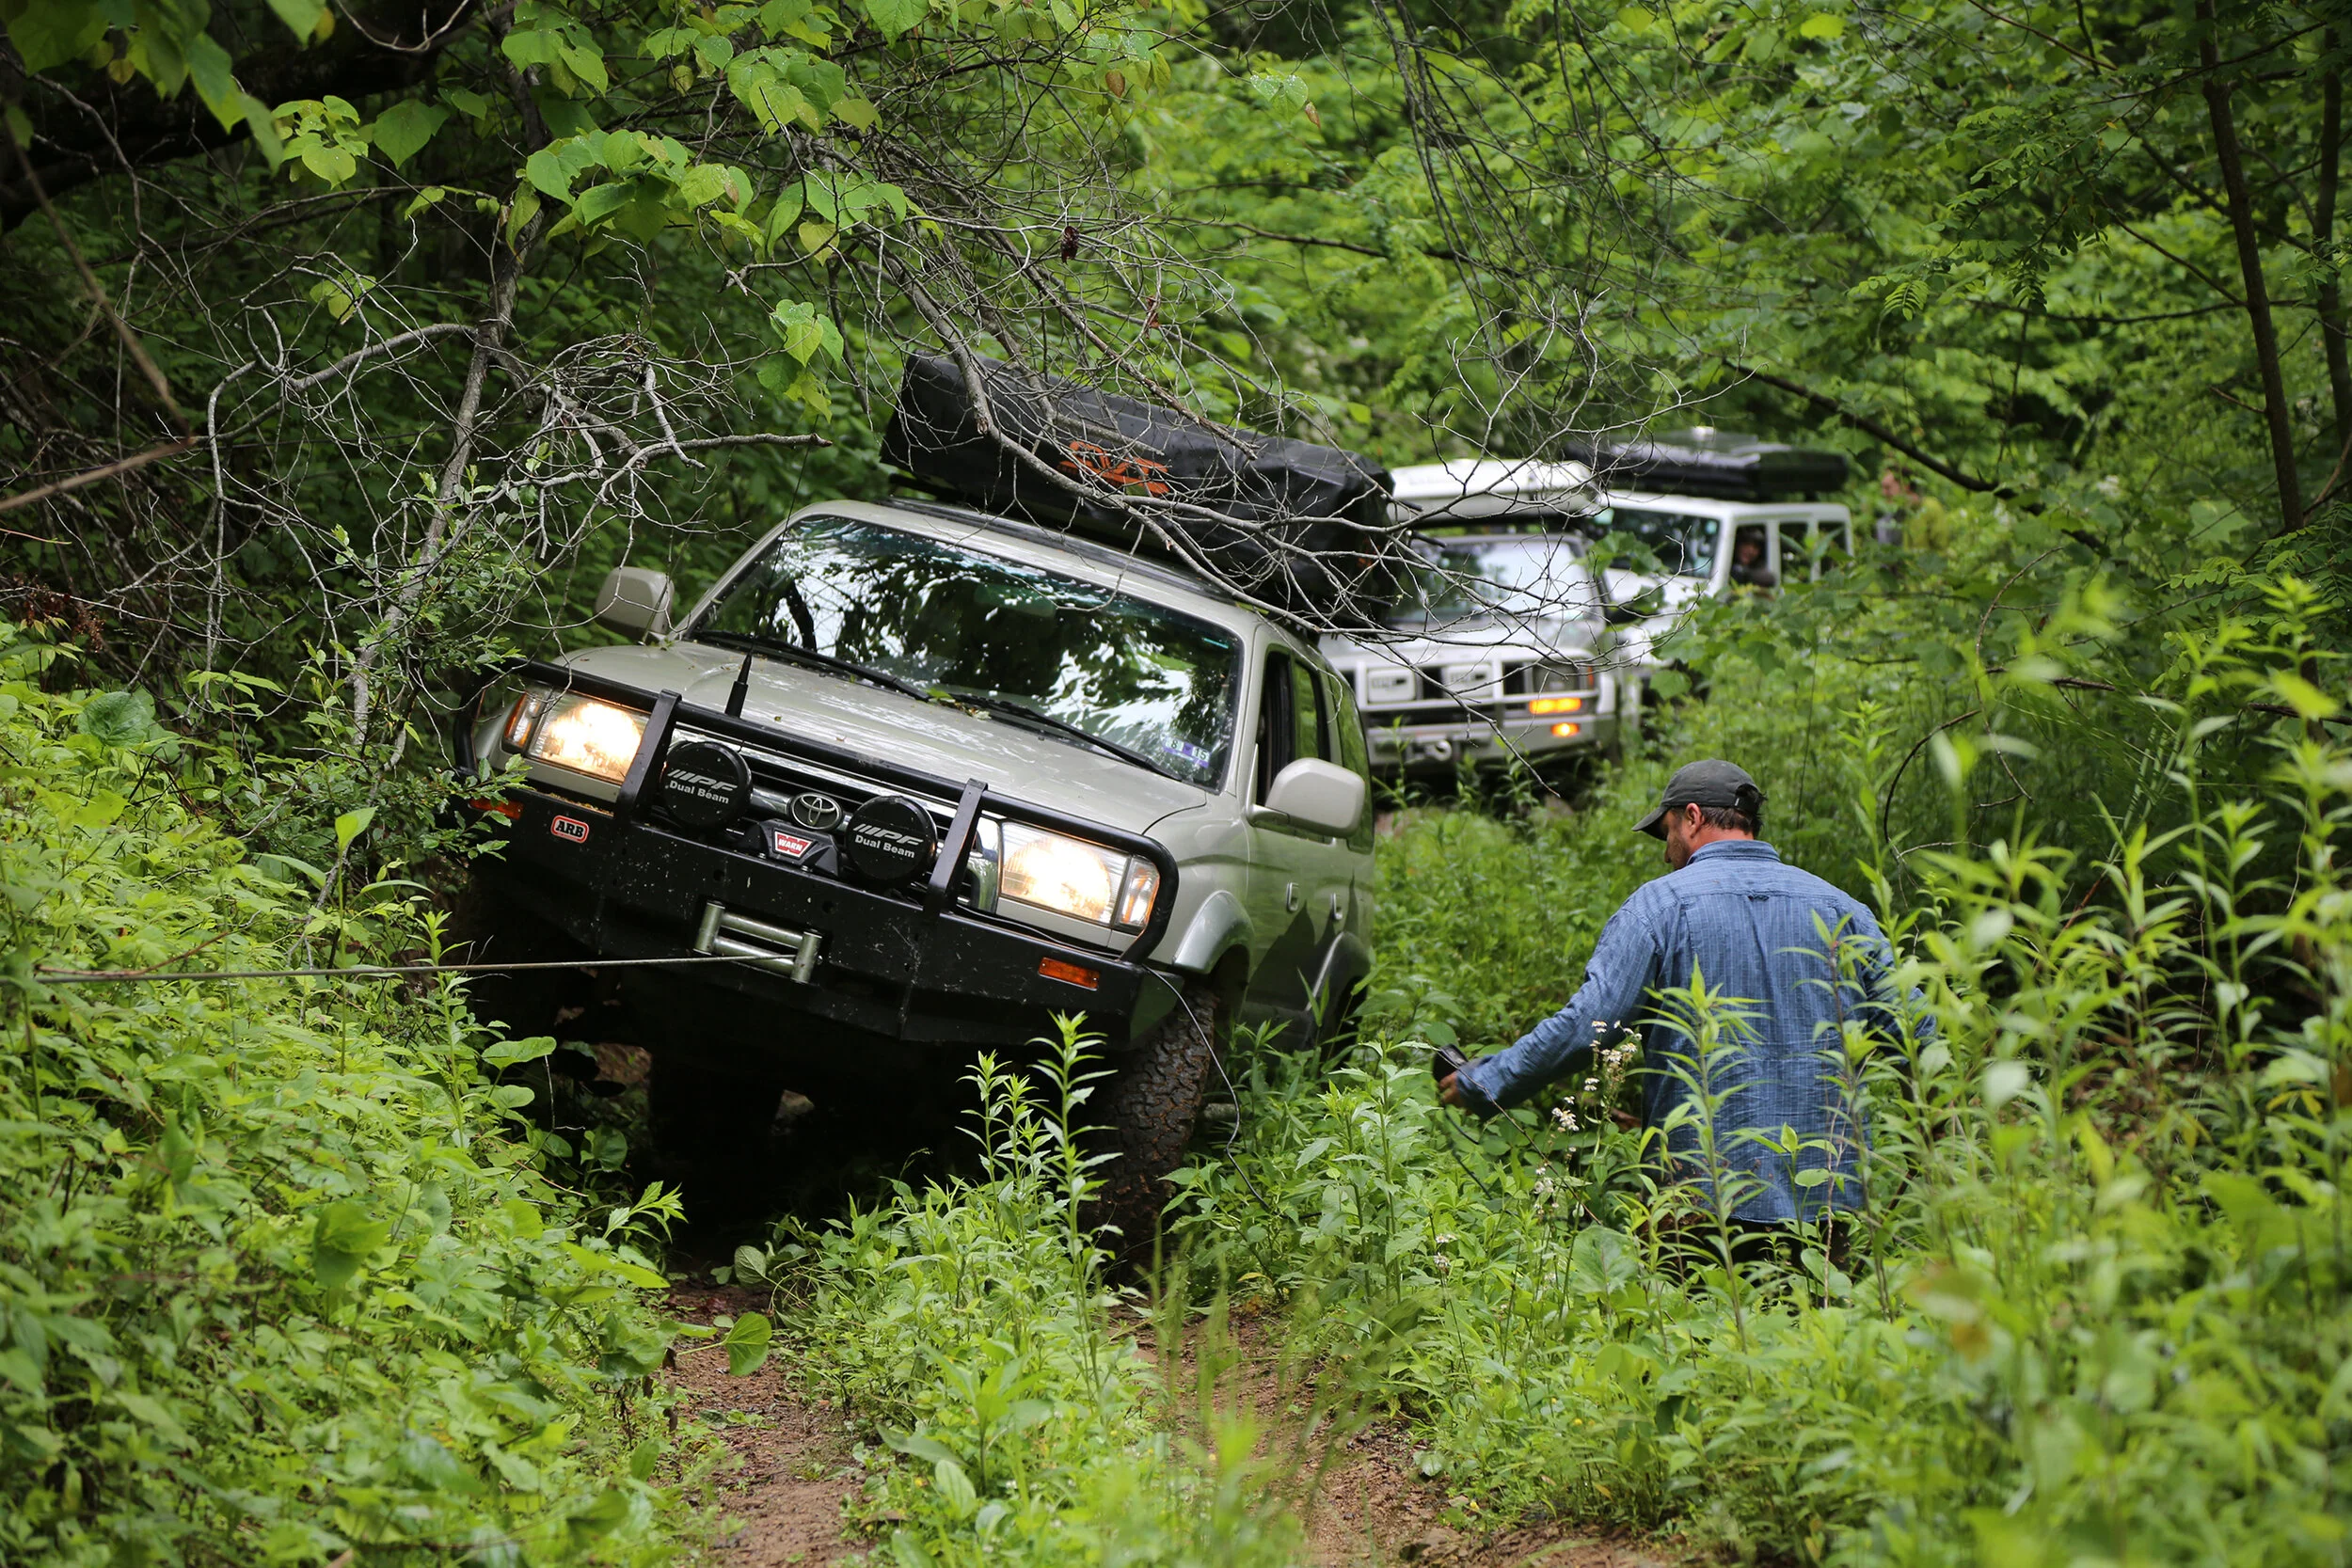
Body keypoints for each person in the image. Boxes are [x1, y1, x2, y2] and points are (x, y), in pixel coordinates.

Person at [1438, 759, 1920, 1251]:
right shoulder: (1844, 910)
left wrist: (1487, 1081)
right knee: (1819, 1326)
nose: (1667, 856)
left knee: (1704, 1326)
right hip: (1826, 1199)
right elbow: (1919, 1034)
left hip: (1703, 1200)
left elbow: (1590, 1023)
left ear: (1691, 818)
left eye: (1666, 834)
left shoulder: (1659, 907)